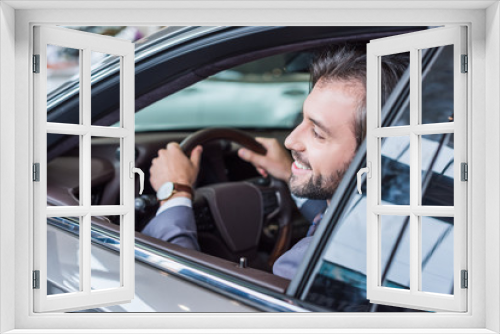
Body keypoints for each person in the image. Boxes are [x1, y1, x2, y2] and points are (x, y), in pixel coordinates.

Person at [142, 45, 407, 279]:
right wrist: (286, 173)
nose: (291, 141)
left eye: (317, 133)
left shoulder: (310, 264)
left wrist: (174, 195)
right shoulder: (401, 219)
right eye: (300, 120)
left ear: (375, 157)